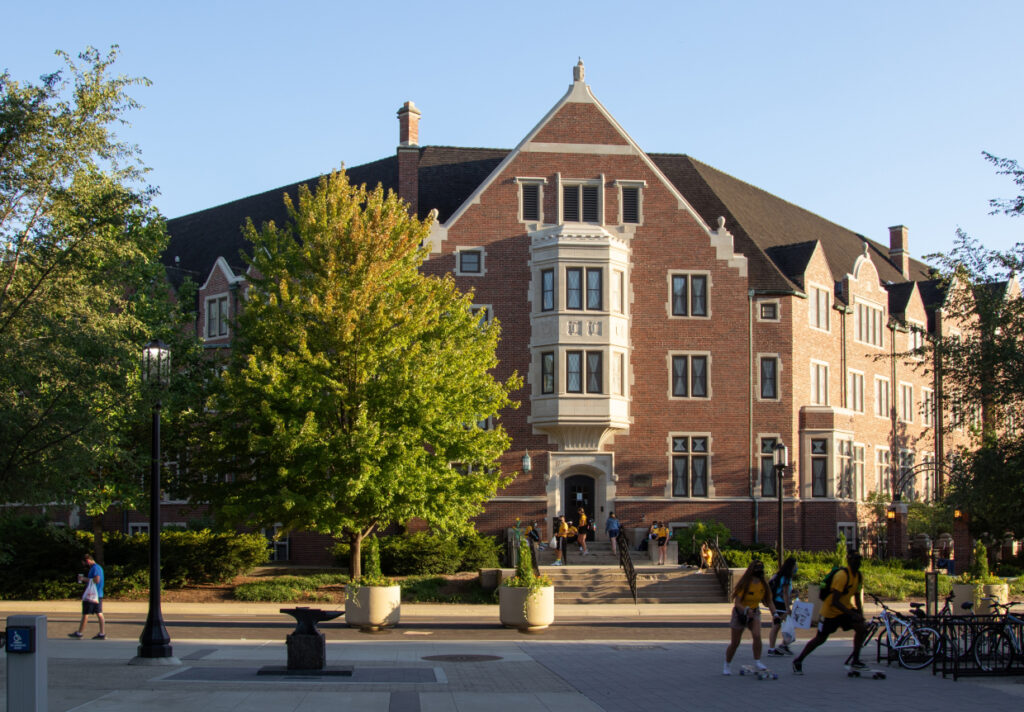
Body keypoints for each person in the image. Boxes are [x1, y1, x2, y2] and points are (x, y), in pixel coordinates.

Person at [792, 550, 868, 674]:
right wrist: (852, 614)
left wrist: (860, 615)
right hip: (830, 612)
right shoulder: (842, 576)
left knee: (862, 628)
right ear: (849, 561)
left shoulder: (858, 576)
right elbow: (835, 601)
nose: (857, 563)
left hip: (845, 610)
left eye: (859, 560)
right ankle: (798, 660)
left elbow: (857, 597)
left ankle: (856, 660)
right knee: (820, 639)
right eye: (855, 560)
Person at [723, 560, 779, 675]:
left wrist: (775, 614)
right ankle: (727, 664)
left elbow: (769, 601)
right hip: (740, 613)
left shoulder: (763, 585)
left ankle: (757, 661)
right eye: (757, 570)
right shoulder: (745, 584)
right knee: (735, 642)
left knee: (757, 635)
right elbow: (737, 603)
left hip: (754, 612)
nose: (760, 573)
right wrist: (746, 610)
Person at [69, 553, 106, 639]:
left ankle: (79, 633)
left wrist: (83, 579)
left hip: (92, 595)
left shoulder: (95, 568)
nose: (84, 565)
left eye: (84, 563)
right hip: (99, 594)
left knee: (86, 613)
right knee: (99, 613)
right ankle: (102, 633)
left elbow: (97, 580)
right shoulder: (99, 567)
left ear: (87, 561)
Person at [767, 556, 798, 656]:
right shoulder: (786, 577)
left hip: (776, 602)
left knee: (777, 624)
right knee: (777, 625)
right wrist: (787, 607)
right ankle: (775, 647)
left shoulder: (779, 575)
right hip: (780, 604)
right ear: (791, 566)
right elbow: (785, 593)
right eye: (795, 565)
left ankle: (781, 645)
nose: (796, 567)